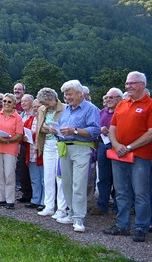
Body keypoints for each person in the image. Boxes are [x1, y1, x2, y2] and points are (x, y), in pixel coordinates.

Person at [103, 71, 152, 243]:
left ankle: (140, 227)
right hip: (119, 155)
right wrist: (117, 146)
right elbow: (112, 128)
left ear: (142, 85)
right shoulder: (122, 104)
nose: (128, 86)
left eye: (132, 83)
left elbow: (150, 133)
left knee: (141, 193)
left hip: (140, 156)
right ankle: (122, 225)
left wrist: (129, 147)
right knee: (121, 192)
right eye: (126, 83)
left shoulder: (150, 105)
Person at [52, 80, 101, 233]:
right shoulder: (66, 110)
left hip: (82, 148)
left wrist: (74, 131)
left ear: (80, 94)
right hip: (65, 148)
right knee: (66, 182)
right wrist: (56, 130)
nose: (67, 97)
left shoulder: (91, 109)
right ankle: (71, 213)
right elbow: (60, 125)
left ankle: (79, 218)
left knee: (79, 183)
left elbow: (95, 130)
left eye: (70, 94)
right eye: (65, 95)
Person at [35, 88, 69, 219]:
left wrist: (56, 130)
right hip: (47, 144)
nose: (46, 105)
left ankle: (61, 208)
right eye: (44, 103)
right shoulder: (42, 109)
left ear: (54, 99)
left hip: (60, 144)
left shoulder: (65, 108)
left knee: (60, 177)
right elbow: (40, 126)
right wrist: (47, 128)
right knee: (47, 176)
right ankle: (48, 206)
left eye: (47, 103)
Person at [91, 88, 123, 215]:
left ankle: (117, 207)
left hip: (118, 146)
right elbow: (95, 127)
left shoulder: (122, 112)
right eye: (107, 97)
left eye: (112, 97)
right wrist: (100, 129)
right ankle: (102, 205)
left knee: (118, 179)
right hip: (103, 146)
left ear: (119, 99)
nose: (108, 100)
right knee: (103, 177)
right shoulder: (102, 112)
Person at [0, 93, 24, 209]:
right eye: (4, 101)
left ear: (14, 104)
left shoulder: (17, 117)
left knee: (9, 174)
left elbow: (19, 135)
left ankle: (10, 200)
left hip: (10, 147)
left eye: (9, 102)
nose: (6, 104)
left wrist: (8, 141)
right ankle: (1, 198)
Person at [24, 99, 44, 209]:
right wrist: (25, 136)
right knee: (35, 179)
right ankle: (35, 199)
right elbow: (23, 133)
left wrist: (34, 134)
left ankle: (44, 201)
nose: (36, 109)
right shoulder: (30, 119)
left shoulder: (45, 120)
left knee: (44, 180)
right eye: (34, 107)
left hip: (41, 153)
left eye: (38, 106)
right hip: (31, 152)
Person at [16, 94, 35, 203]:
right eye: (22, 101)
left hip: (32, 145)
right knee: (22, 169)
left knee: (32, 171)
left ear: (31, 102)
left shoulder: (35, 114)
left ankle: (34, 194)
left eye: (25, 101)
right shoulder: (21, 115)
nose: (22, 103)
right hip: (22, 144)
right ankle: (26, 193)